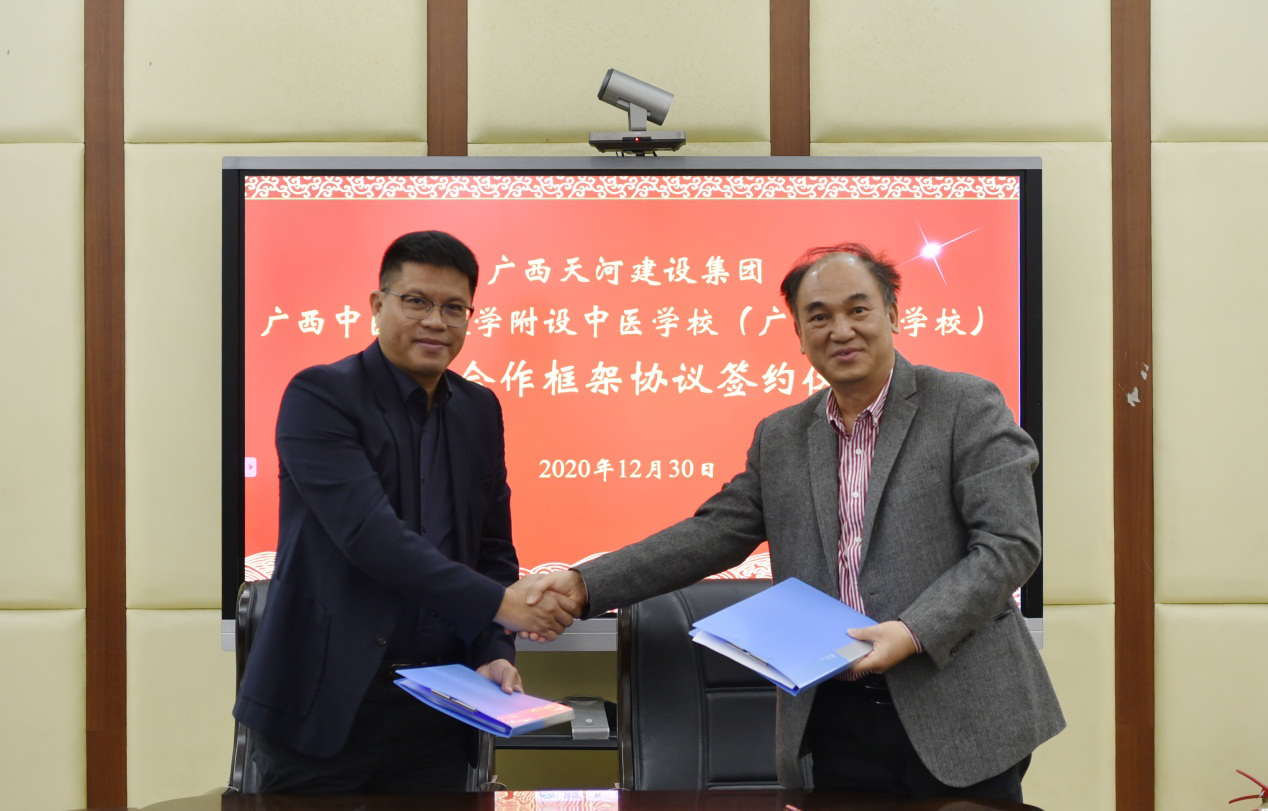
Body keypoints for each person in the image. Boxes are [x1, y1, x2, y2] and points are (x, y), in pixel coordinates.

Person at [527, 242, 1064, 802]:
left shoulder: (964, 404)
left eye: (858, 309)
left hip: (961, 713)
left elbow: (1010, 544)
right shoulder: (781, 435)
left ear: (892, 314)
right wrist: (585, 584)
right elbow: (710, 534)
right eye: (819, 317)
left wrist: (912, 632)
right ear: (801, 335)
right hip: (834, 716)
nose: (841, 330)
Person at [233, 230, 577, 793]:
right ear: (378, 304)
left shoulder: (480, 410)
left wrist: (494, 649)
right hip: (324, 703)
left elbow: (492, 548)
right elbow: (371, 537)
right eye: (416, 301)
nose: (436, 321)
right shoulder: (320, 396)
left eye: (454, 307)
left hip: (441, 707)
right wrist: (504, 606)